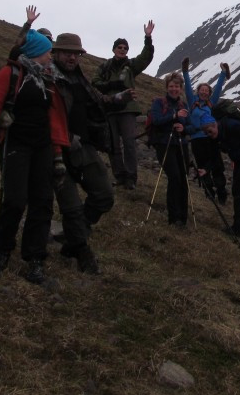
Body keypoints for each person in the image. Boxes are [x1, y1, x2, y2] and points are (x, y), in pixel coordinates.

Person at [0, 29, 69, 284]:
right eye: (46, 52)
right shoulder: (10, 74)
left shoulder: (47, 79)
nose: (49, 56)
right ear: (35, 53)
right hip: (17, 144)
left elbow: (52, 118)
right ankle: (2, 249)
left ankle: (35, 259)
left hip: (42, 146)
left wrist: (56, 153)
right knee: (15, 200)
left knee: (43, 201)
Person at [51, 33, 119, 275]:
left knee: (104, 195)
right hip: (57, 149)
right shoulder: (48, 78)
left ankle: (71, 239)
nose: (72, 57)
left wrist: (118, 99)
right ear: (55, 53)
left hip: (85, 147)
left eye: (76, 54)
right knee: (70, 206)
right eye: (67, 52)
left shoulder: (80, 78)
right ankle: (81, 251)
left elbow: (98, 102)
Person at [92, 23, 155, 190]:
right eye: (119, 47)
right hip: (110, 108)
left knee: (128, 143)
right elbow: (95, 82)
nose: (123, 50)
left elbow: (146, 57)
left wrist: (147, 38)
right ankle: (119, 176)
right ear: (114, 49)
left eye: (125, 48)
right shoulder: (104, 67)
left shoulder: (131, 66)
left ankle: (131, 178)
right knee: (113, 145)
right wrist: (109, 85)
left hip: (127, 109)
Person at [200, 114, 240, 238]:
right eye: (206, 133)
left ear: (215, 125)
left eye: (209, 131)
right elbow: (213, 156)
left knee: (239, 190)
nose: (209, 134)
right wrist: (205, 170)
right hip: (239, 159)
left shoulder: (233, 126)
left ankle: (238, 228)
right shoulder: (215, 135)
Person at [182, 57, 230, 204]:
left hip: (210, 137)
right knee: (202, 165)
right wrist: (185, 72)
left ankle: (222, 192)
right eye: (202, 90)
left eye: (206, 91)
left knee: (216, 164)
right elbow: (188, 88)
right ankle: (209, 192)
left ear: (209, 93)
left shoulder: (211, 102)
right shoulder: (192, 102)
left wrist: (223, 74)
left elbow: (219, 88)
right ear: (198, 92)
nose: (204, 92)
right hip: (196, 139)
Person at [146, 72, 190, 227]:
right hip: (164, 144)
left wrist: (183, 127)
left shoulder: (183, 105)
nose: (174, 89)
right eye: (171, 86)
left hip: (181, 144)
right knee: (175, 177)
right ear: (166, 87)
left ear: (181, 88)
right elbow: (157, 120)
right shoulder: (159, 102)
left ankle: (183, 218)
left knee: (183, 178)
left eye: (176, 86)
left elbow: (189, 126)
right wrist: (174, 117)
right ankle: (174, 216)